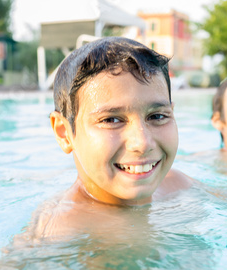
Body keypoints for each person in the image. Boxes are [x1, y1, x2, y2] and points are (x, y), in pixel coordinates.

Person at [31, 36, 192, 239]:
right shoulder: (60, 234)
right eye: (111, 120)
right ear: (64, 133)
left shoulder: (177, 185)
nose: (142, 143)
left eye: (157, 116)